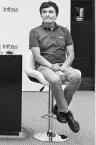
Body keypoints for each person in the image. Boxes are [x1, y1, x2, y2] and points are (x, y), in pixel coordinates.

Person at [29, 1, 81, 133]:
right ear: (41, 15)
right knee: (56, 79)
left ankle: (58, 108)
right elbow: (37, 56)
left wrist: (63, 67)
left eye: (51, 12)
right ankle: (66, 113)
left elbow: (71, 54)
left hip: (62, 65)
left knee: (76, 77)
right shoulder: (34, 32)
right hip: (44, 66)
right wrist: (52, 67)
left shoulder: (64, 31)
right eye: (44, 12)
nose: (47, 14)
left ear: (56, 15)